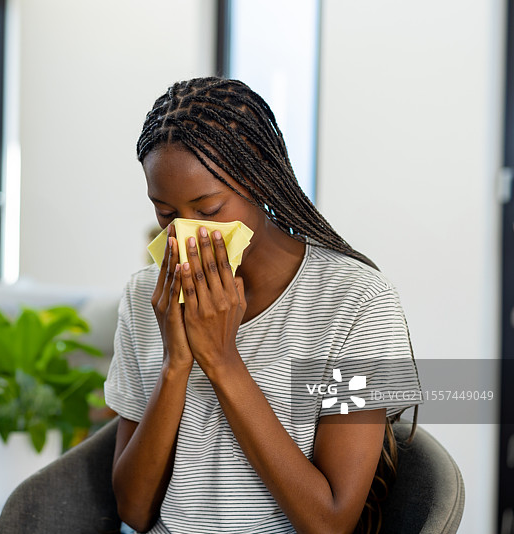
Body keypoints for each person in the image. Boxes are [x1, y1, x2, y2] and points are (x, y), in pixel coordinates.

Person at [103, 77, 423, 534]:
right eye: (166, 214)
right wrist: (176, 364)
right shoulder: (145, 296)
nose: (187, 234)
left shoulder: (358, 303)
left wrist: (220, 359)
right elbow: (134, 511)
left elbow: (330, 523)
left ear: (259, 180)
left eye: (209, 210)